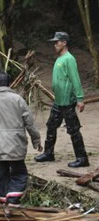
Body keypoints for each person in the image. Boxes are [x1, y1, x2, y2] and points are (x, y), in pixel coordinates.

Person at [0, 72, 42, 208]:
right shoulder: (18, 100)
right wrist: (36, 140)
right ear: (10, 83)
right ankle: (12, 200)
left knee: (0, 174)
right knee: (19, 173)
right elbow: (29, 123)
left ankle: (4, 201)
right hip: (15, 144)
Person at [34, 32, 89, 168]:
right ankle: (48, 153)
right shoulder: (59, 59)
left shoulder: (69, 59)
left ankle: (82, 158)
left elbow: (75, 79)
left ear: (64, 43)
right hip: (58, 101)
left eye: (57, 42)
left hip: (68, 102)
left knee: (73, 129)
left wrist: (80, 98)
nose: (55, 45)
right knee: (51, 125)